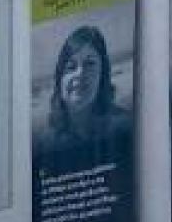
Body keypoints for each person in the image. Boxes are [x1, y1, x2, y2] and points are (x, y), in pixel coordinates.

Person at [40, 25, 130, 154]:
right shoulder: (45, 143)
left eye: (89, 64)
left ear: (102, 75)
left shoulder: (125, 127)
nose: (80, 73)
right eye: (71, 67)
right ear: (59, 79)